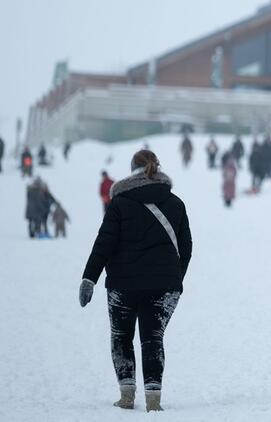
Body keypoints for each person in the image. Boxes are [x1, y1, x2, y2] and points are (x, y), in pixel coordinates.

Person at [78, 149, 192, 412]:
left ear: (132, 172)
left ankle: (127, 395)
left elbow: (104, 244)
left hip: (123, 285)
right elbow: (185, 247)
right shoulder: (175, 204)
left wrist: (89, 278)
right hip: (164, 285)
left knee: (121, 336)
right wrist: (175, 277)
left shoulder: (119, 204)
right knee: (153, 337)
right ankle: (154, 400)